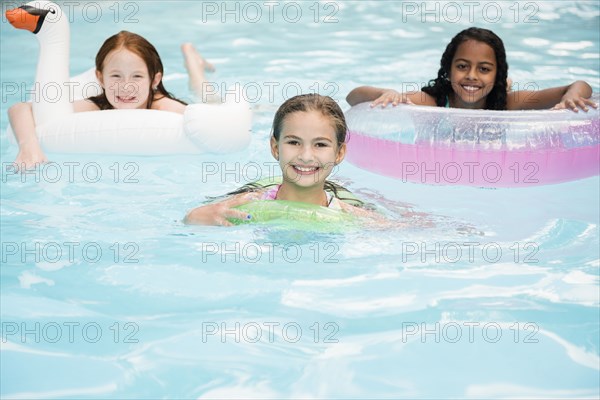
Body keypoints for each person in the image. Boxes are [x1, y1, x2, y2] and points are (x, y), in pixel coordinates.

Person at [8, 31, 216, 170]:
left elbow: (216, 125)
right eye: (116, 76)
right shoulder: (97, 106)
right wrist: (28, 145)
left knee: (205, 93)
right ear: (101, 78)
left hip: (203, 103)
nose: (126, 87)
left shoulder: (165, 108)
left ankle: (192, 60)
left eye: (137, 76)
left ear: (154, 80)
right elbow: (20, 108)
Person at [184, 94, 379, 226]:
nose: (306, 156)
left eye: (320, 144)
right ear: (275, 147)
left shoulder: (352, 217)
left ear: (339, 153)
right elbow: (190, 223)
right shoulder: (244, 206)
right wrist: (194, 217)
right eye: (294, 142)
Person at [346, 27, 596, 112]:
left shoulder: (507, 104)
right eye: (462, 66)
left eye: (484, 69)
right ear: (448, 68)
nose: (472, 76)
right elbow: (353, 96)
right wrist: (388, 92)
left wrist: (572, 96)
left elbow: (579, 85)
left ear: (498, 74)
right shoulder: (432, 102)